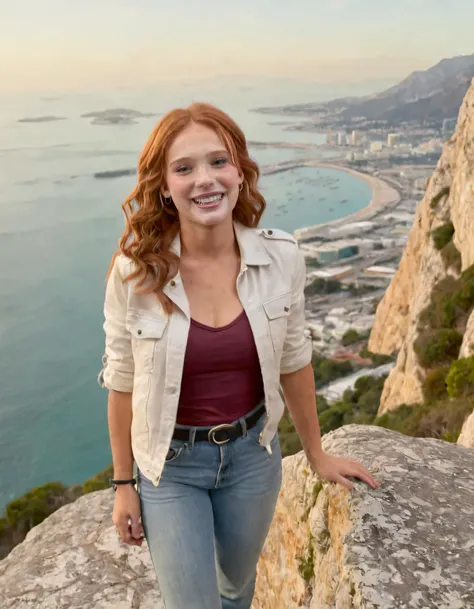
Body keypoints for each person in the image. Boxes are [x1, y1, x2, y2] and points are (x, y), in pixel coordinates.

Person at [98, 102, 381, 609]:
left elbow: (295, 360)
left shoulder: (281, 257)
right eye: (184, 168)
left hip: (253, 457)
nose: (205, 180)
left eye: (217, 162)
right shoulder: (135, 273)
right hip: (171, 466)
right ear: (164, 186)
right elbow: (121, 382)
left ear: (239, 170)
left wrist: (315, 454)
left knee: (236, 588)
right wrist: (123, 484)